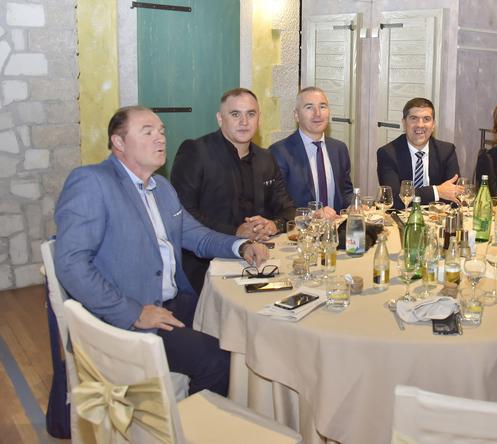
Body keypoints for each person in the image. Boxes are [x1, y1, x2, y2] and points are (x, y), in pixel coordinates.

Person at [54, 106, 271, 396]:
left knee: (243, 331)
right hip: (125, 319)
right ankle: (192, 422)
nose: (160, 138)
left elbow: (197, 237)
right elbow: (71, 264)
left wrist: (240, 246)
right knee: (218, 360)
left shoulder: (162, 188)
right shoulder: (93, 182)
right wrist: (133, 312)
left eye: (161, 131)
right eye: (147, 132)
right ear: (118, 142)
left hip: (173, 301)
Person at [171, 88, 296, 294]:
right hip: (207, 265)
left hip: (261, 259)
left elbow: (288, 209)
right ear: (220, 119)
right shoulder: (196, 152)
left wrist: (274, 224)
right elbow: (183, 215)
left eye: (251, 114)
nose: (244, 122)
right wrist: (235, 232)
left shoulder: (266, 158)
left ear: (259, 119)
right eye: (235, 114)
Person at [269, 87, 354, 218]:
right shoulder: (279, 152)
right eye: (309, 107)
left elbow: (345, 192)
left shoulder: (339, 149)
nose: (317, 113)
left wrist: (353, 205)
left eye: (322, 107)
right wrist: (313, 215)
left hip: (336, 226)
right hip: (301, 228)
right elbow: (280, 204)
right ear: (296, 115)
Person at [376, 97, 462, 209]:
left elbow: (454, 194)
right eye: (413, 118)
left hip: (437, 216)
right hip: (401, 217)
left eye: (426, 119)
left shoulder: (446, 151)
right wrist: (437, 191)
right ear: (404, 123)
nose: (420, 125)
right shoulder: (388, 153)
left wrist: (414, 195)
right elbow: (394, 200)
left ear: (433, 125)